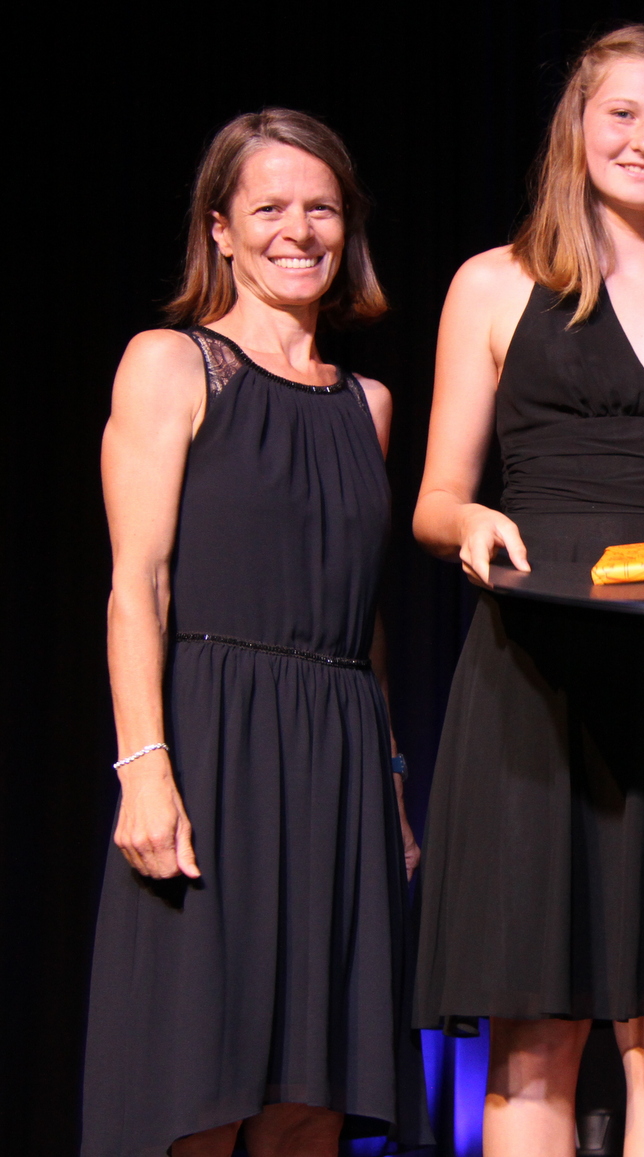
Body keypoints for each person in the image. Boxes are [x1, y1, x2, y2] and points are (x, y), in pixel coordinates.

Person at [411, 24, 644, 1157]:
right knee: (533, 1033)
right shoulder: (495, 282)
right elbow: (436, 499)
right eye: (622, 114)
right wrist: (472, 524)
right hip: (534, 675)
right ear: (577, 127)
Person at [84, 109, 426, 1157]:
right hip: (212, 746)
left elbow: (362, 611)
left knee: (313, 1099)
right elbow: (136, 583)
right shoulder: (171, 363)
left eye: (321, 208)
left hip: (340, 757)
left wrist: (392, 788)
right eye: (269, 207)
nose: (298, 230)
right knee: (199, 1091)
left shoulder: (368, 403)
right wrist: (144, 766)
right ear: (221, 229)